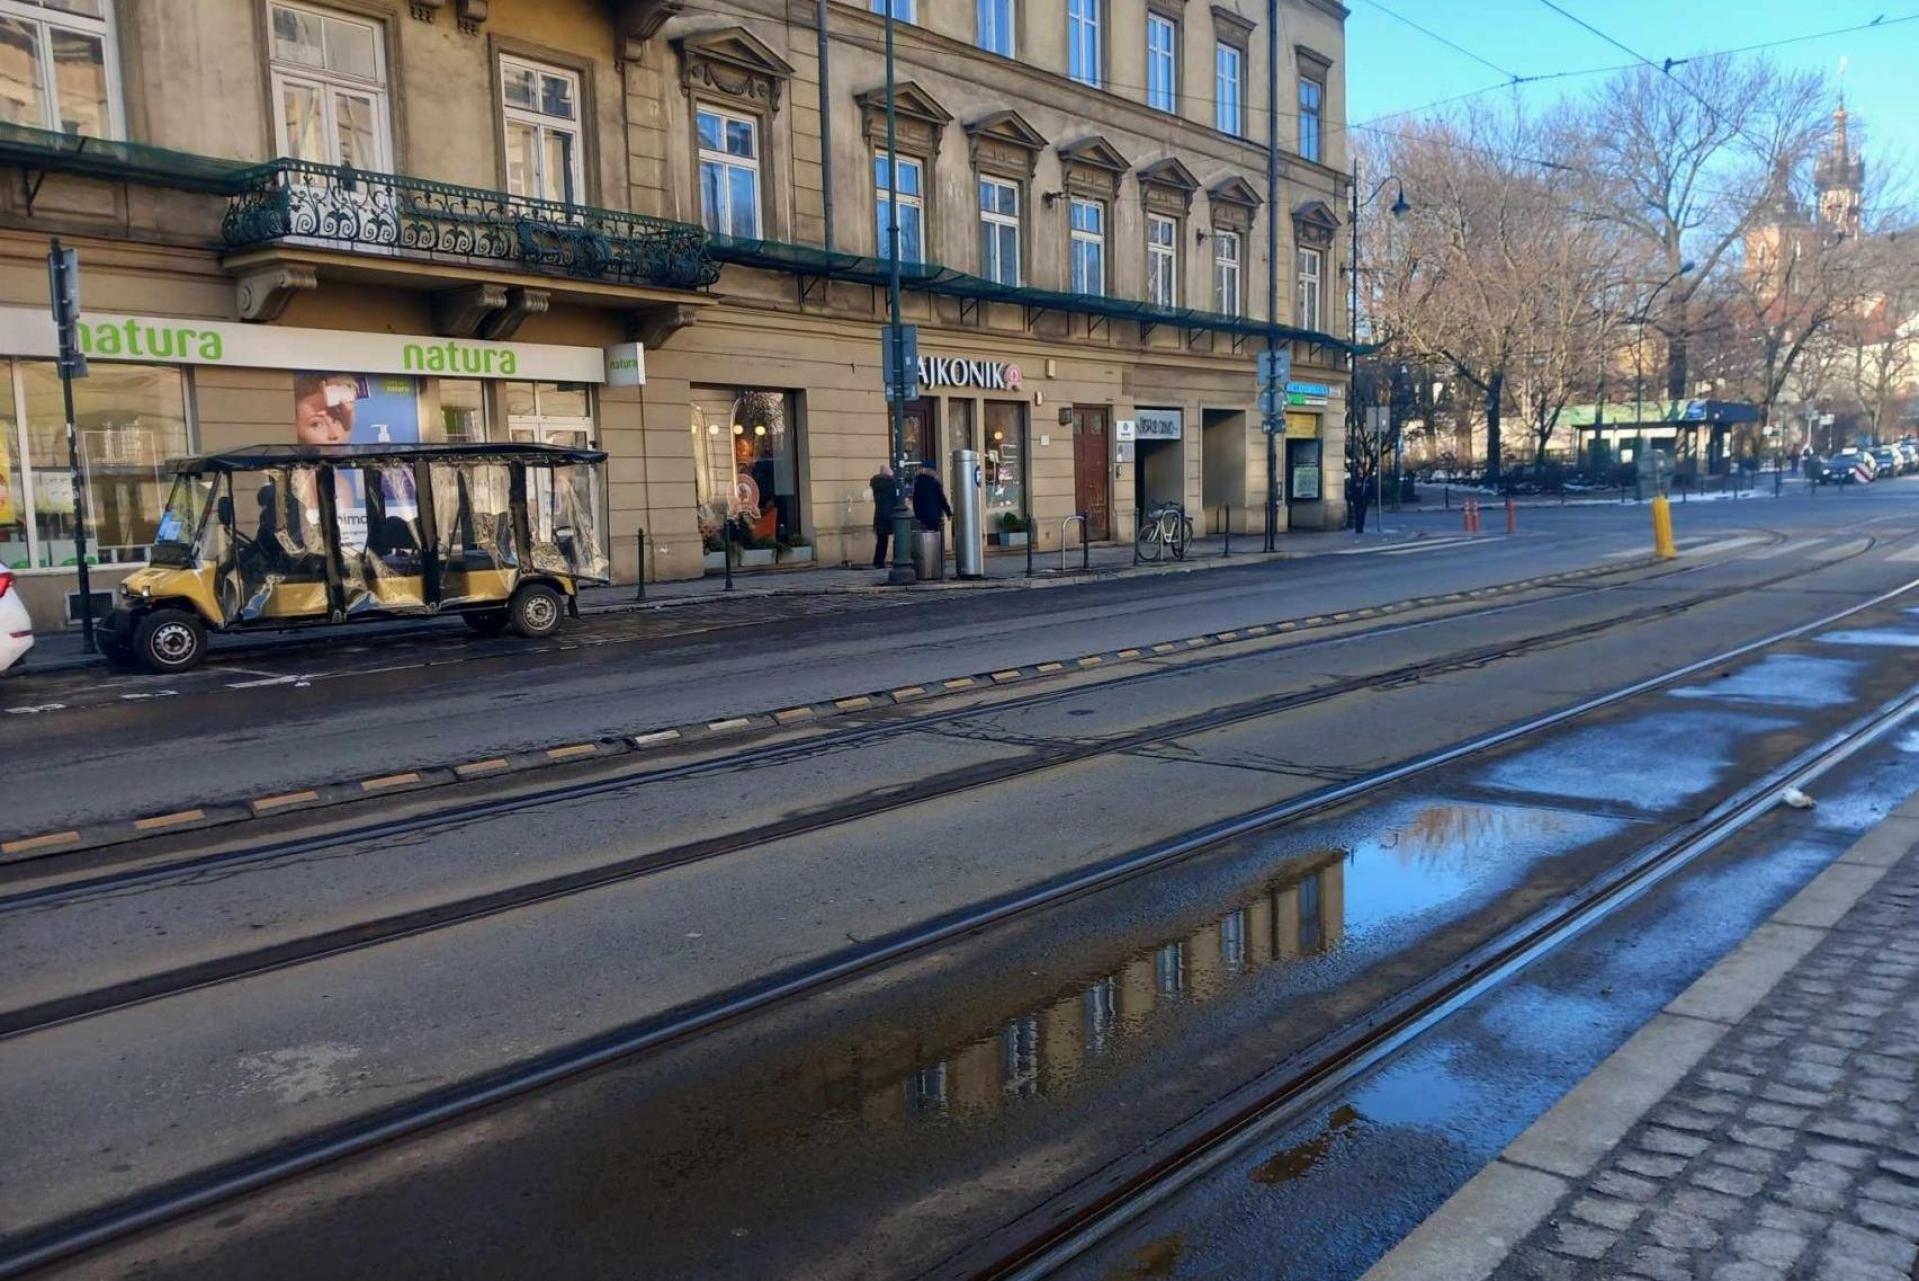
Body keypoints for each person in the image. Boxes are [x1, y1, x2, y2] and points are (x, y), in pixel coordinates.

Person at [869, 462, 900, 569]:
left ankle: (878, 561)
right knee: (899, 538)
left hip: (879, 515)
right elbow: (895, 498)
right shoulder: (890, 483)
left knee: (882, 540)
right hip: (891, 514)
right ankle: (897, 559)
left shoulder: (876, 483)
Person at [912, 461, 952, 533]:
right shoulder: (935, 483)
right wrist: (948, 512)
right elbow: (942, 499)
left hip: (923, 516)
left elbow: (915, 501)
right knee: (935, 534)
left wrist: (917, 516)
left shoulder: (918, 483)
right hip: (935, 515)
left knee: (925, 535)